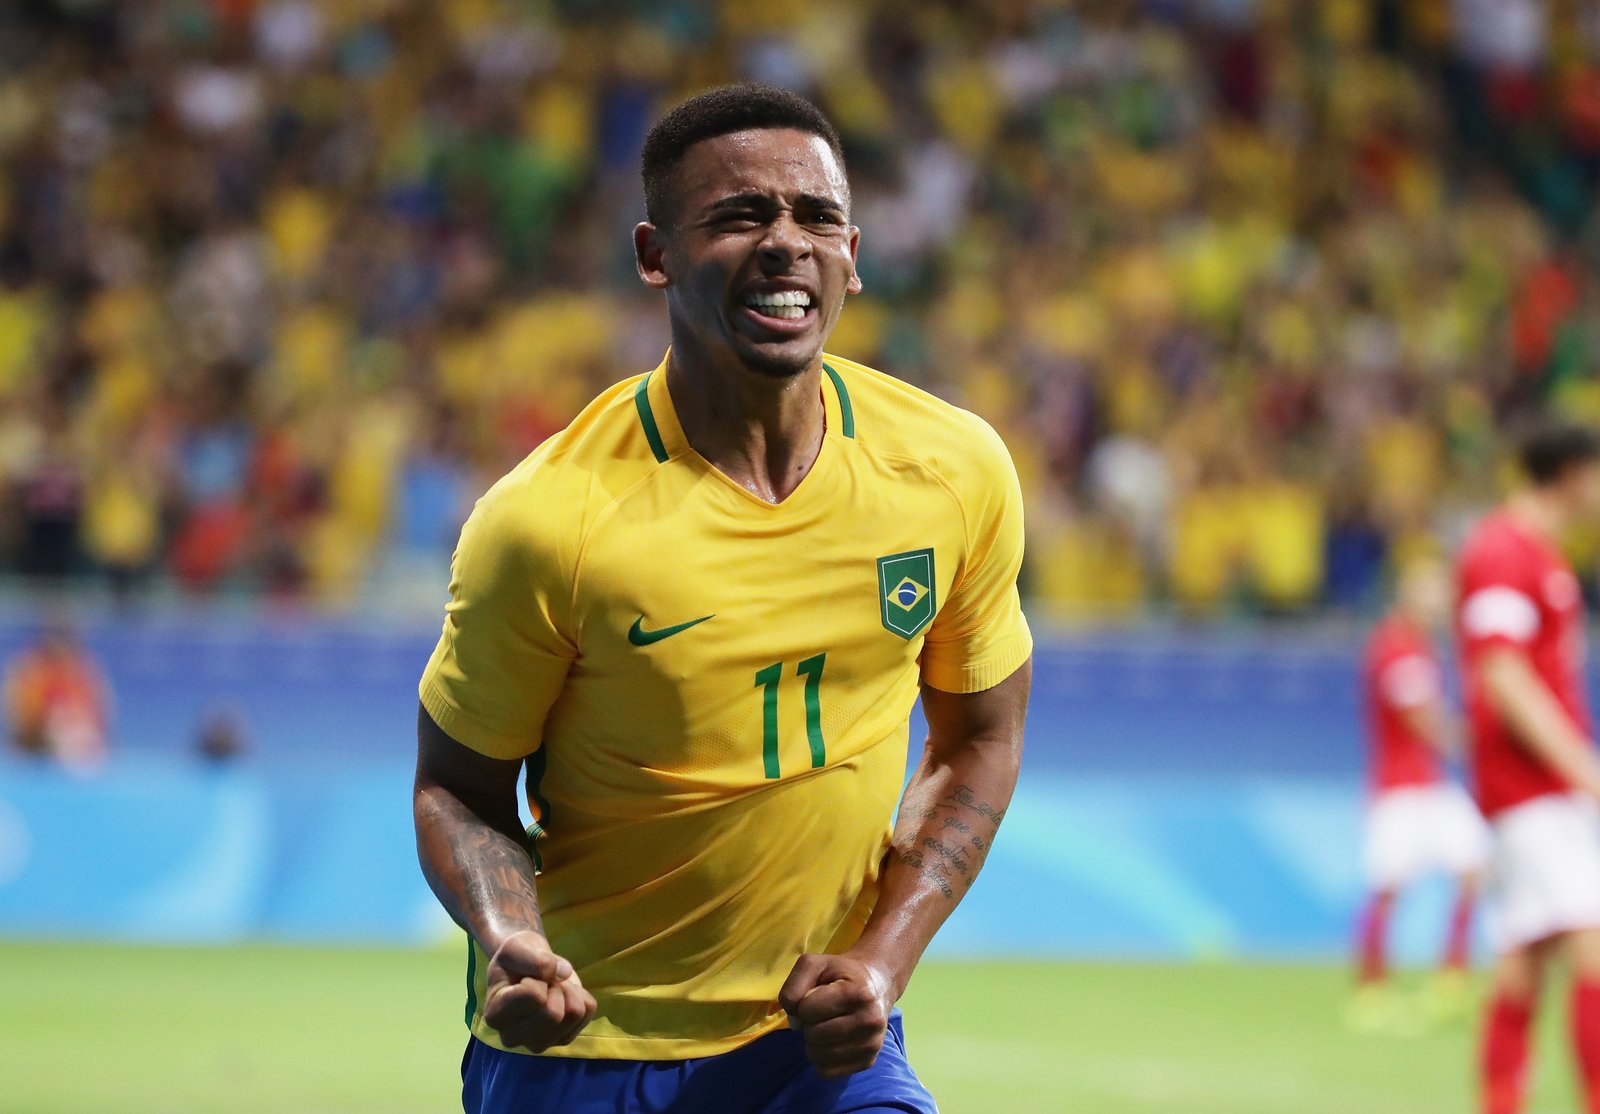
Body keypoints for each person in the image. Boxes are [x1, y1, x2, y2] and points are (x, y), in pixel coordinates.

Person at [412, 83, 1033, 1114]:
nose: (785, 242)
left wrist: (880, 962)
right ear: (655, 255)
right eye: (741, 216)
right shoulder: (547, 521)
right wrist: (506, 939)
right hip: (581, 1052)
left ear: (854, 254)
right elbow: (457, 791)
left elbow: (981, 735)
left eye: (816, 217)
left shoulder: (952, 469)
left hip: (816, 1052)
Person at [1456, 421, 1600, 1114]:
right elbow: (1503, 673)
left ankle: (1500, 1101)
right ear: (1573, 472)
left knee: (1524, 958)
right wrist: (1583, 769)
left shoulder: (1537, 555)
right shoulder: (1502, 551)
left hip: (1535, 790)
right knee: (1592, 945)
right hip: (1532, 788)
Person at [1349, 554, 1488, 1034]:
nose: (1443, 600)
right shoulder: (1395, 646)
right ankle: (1369, 991)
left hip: (1430, 787)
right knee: (1389, 889)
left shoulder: (1424, 647)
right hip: (1399, 792)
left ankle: (1450, 980)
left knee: (1474, 871)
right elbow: (1422, 721)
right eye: (1433, 590)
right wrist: (1482, 744)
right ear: (1407, 592)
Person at [1, 619, 110, 773]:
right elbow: (19, 719)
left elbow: (96, 714)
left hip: (72, 742)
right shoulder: (29, 671)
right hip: (35, 738)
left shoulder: (83, 671)